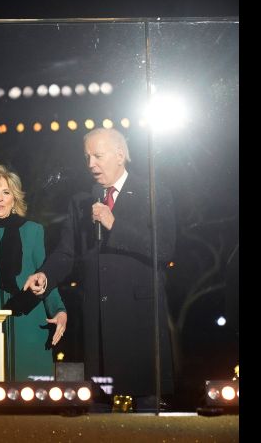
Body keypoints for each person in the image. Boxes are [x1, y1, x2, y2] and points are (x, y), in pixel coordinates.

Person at [23, 127, 176, 411]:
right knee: (96, 404)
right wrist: (46, 274)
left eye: (98, 155)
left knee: (148, 407)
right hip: (96, 319)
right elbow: (67, 253)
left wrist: (114, 224)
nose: (90, 164)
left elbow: (165, 248)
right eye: (87, 157)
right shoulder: (82, 201)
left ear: (120, 155)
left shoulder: (152, 191)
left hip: (139, 319)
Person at [0, 165, 67, 381]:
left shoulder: (34, 231)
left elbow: (44, 276)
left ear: (14, 198)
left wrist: (59, 310)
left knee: (33, 396)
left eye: (6, 192)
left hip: (29, 323)